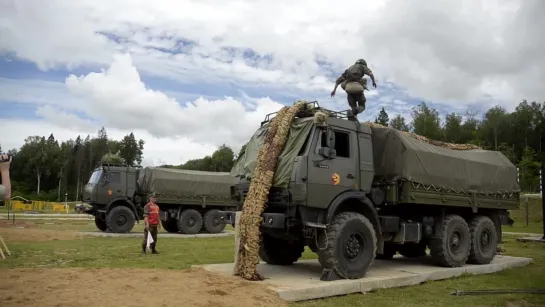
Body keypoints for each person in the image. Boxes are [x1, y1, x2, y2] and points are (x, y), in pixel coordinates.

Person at [141, 191, 161, 255]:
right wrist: (147, 224)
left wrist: (159, 223)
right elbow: (146, 216)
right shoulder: (147, 206)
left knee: (154, 239)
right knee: (146, 238)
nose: (155, 198)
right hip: (150, 225)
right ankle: (143, 251)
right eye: (153, 197)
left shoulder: (157, 206)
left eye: (155, 197)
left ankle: (153, 250)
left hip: (155, 225)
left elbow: (157, 216)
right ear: (150, 198)